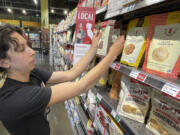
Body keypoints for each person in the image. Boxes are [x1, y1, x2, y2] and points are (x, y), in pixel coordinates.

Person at [0, 24, 124, 135]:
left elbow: (71, 74)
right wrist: (112, 55)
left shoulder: (30, 73)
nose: (32, 51)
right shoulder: (15, 98)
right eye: (22, 49)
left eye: (27, 45)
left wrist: (93, 48)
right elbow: (82, 86)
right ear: (4, 62)